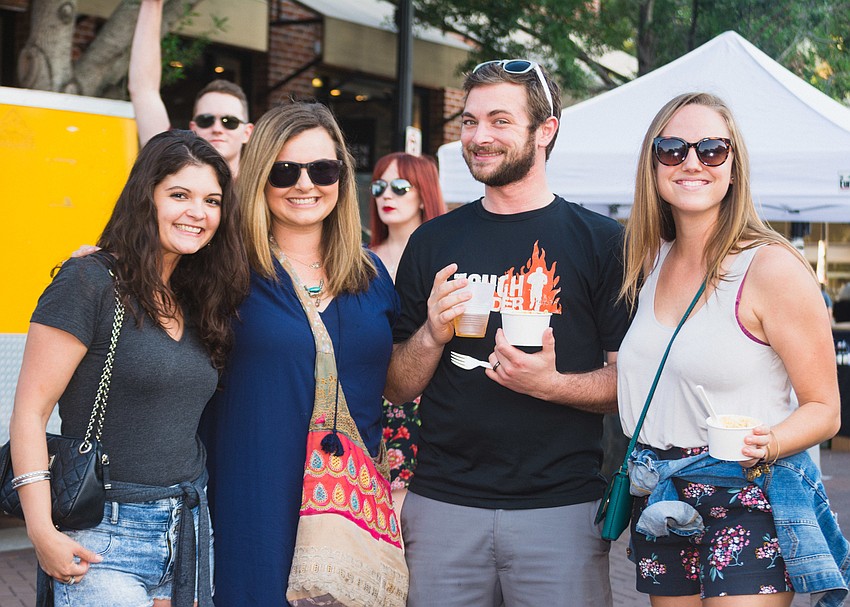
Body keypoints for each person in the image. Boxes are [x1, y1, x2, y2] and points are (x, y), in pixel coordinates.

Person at [384, 59, 629, 606]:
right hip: (444, 504)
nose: (479, 136)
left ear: (546, 130)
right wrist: (430, 334)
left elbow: (627, 383)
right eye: (469, 122)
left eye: (499, 120)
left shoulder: (600, 241)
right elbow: (396, 386)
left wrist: (552, 384)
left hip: (561, 510)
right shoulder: (432, 241)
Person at [617, 92, 843, 605]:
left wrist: (767, 444)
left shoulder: (771, 267)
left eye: (712, 149)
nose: (691, 162)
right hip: (661, 496)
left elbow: (825, 410)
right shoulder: (650, 262)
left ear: (734, 166)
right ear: (652, 166)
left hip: (748, 492)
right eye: (671, 149)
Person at [9, 129, 248, 606]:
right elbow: (29, 414)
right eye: (179, 195)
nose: (198, 213)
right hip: (102, 533)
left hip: (187, 529)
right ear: (146, 198)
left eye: (212, 200)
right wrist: (40, 532)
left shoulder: (200, 296)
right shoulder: (89, 280)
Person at [200, 102, 399, 606]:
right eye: (284, 171)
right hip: (251, 506)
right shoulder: (221, 271)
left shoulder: (373, 277)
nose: (304, 184)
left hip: (347, 512)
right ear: (260, 176)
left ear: (342, 177)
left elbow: (395, 387)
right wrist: (104, 264)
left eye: (323, 169)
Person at [368, 152, 447, 510]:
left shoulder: (444, 258)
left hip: (427, 399)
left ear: (423, 194)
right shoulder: (358, 258)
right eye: (379, 186)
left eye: (400, 187)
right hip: (366, 394)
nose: (387, 195)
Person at [129, 0, 253, 175]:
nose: (217, 129)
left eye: (229, 122)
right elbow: (144, 90)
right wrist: (152, 4)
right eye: (206, 120)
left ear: (247, 132)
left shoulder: (264, 188)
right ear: (193, 128)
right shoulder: (170, 160)